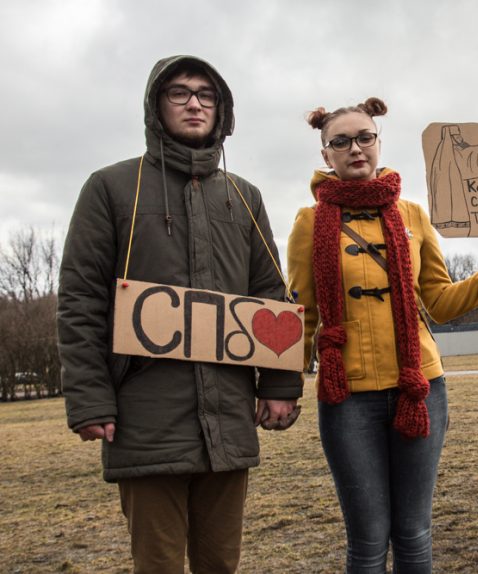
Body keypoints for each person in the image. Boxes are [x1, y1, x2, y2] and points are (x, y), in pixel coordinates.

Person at [57, 56, 303, 573]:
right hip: (146, 419)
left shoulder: (244, 196)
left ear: (222, 110)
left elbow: (270, 295)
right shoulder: (110, 187)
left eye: (207, 95)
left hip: (228, 418)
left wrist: (280, 385)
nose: (195, 103)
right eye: (179, 93)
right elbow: (81, 301)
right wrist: (89, 399)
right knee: (159, 565)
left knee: (221, 563)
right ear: (155, 105)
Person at [286, 97, 478, 573]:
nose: (356, 149)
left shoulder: (412, 215)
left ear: (378, 142)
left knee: (413, 534)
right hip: (347, 397)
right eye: (341, 141)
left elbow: (439, 300)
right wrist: (284, 386)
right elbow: (303, 314)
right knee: (368, 540)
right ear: (325, 154)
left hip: (421, 388)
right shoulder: (308, 224)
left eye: (365, 137)